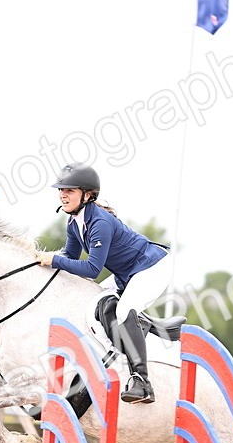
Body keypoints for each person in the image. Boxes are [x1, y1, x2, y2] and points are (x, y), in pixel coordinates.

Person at [37, 163, 172, 404]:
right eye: (61, 190)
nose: (63, 195)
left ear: (87, 195)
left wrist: (54, 260)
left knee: (122, 310)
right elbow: (69, 256)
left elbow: (92, 268)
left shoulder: (100, 223)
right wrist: (41, 260)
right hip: (127, 273)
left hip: (152, 267)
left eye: (70, 190)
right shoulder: (73, 222)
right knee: (94, 303)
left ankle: (142, 382)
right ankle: (116, 347)